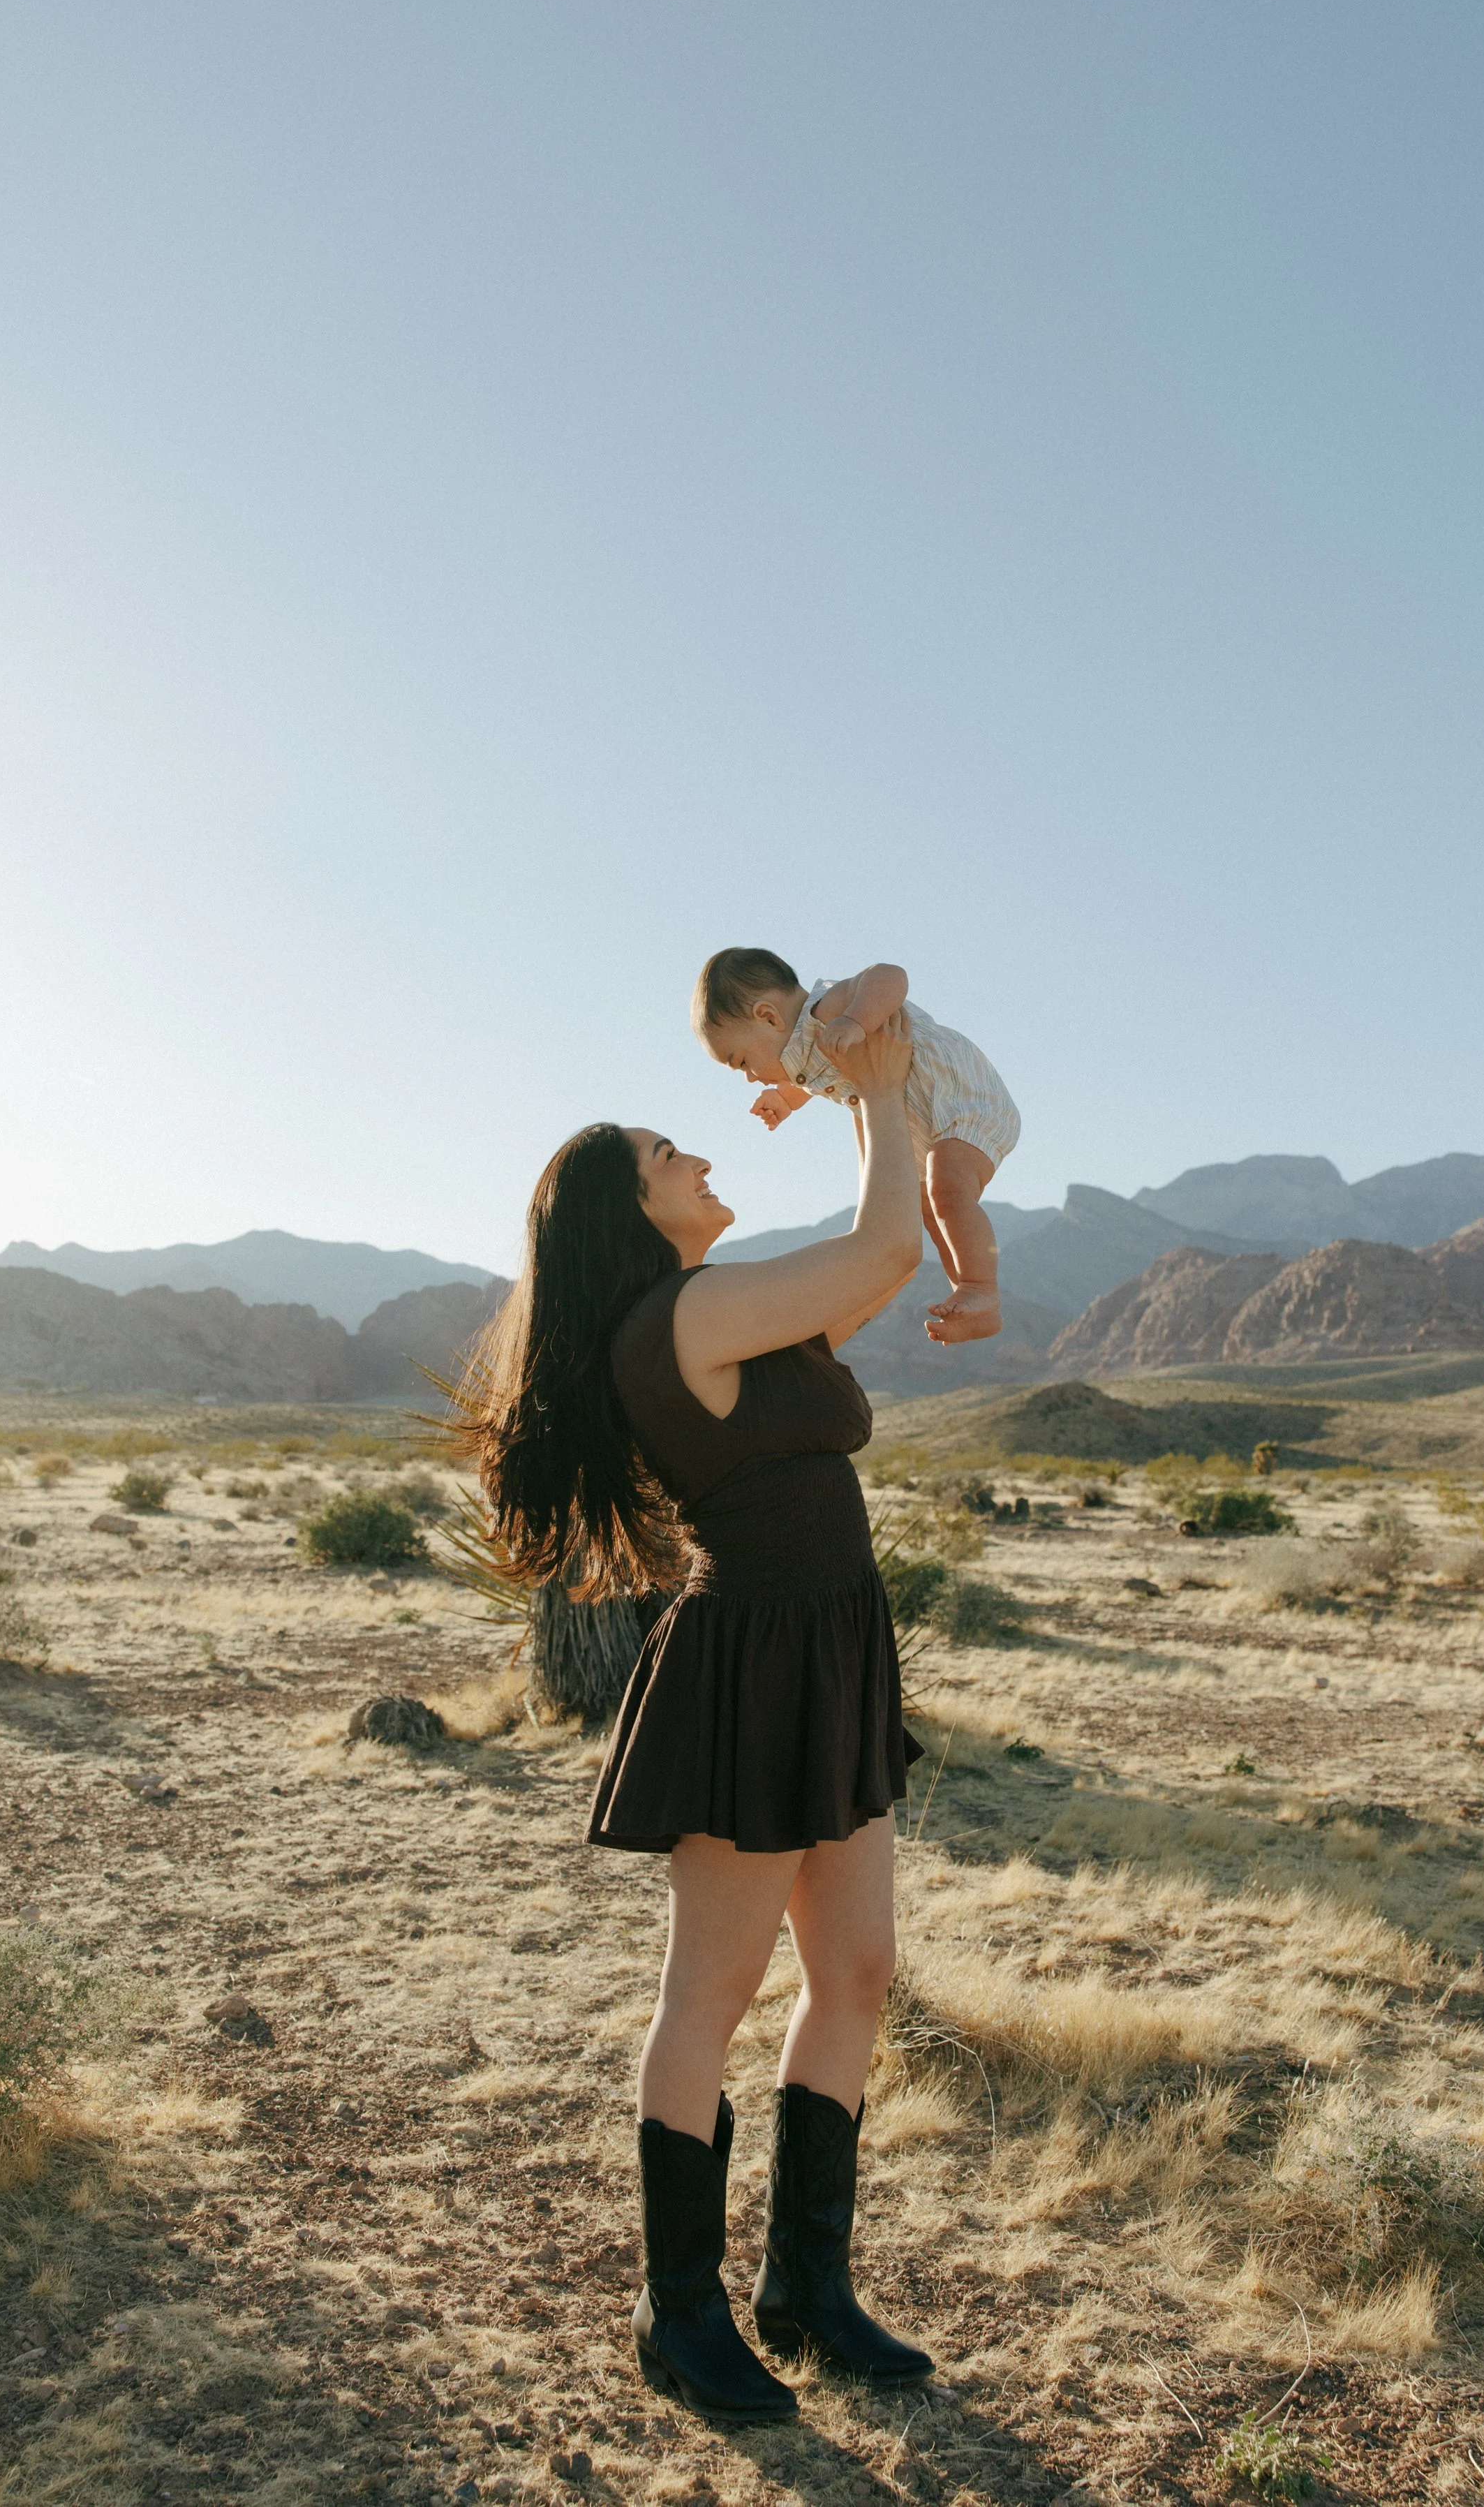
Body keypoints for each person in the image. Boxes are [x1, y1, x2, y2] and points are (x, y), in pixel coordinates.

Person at [459, 1012, 933, 2421]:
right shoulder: (678, 1320)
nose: (699, 1156)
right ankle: (678, 2315)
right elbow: (886, 1251)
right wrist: (890, 1086)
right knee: (709, 2003)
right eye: (670, 1155)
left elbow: (870, 1258)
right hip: (748, 1672)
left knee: (853, 1980)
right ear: (626, 1210)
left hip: (833, 1655)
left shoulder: (732, 1305)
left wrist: (856, 1089)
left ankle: (805, 2290)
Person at [692, 946, 1020, 1345]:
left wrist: (855, 1019)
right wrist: (785, 1099)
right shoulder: (803, 1052)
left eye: (742, 1062)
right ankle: (972, 1298)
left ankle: (980, 1287)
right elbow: (810, 1077)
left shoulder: (828, 1007)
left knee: (947, 1192)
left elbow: (889, 974)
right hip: (921, 1122)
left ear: (769, 1016)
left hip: (958, 1097)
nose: (748, 1077)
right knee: (928, 1206)